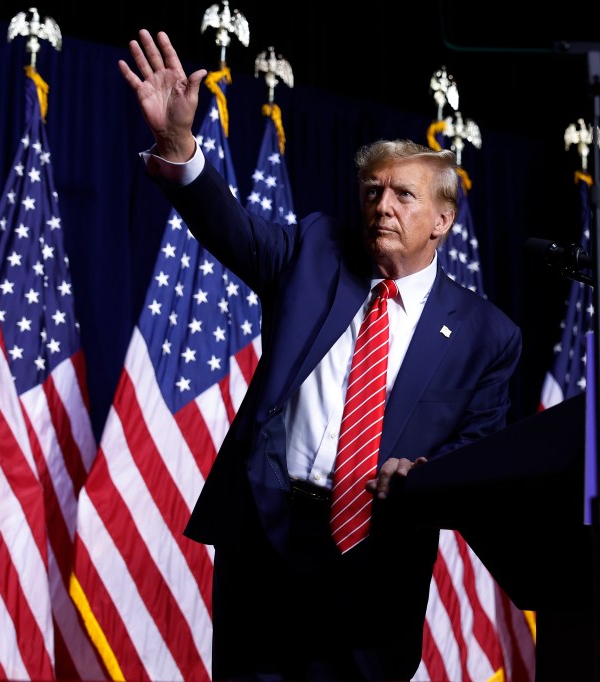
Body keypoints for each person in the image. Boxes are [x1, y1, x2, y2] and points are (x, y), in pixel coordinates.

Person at [119, 29, 522, 682]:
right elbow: (229, 226)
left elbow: (478, 453)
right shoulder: (313, 251)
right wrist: (178, 148)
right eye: (371, 192)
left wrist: (427, 474)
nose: (381, 205)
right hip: (267, 544)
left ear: (443, 221)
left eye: (402, 195)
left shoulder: (486, 335)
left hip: (377, 565)